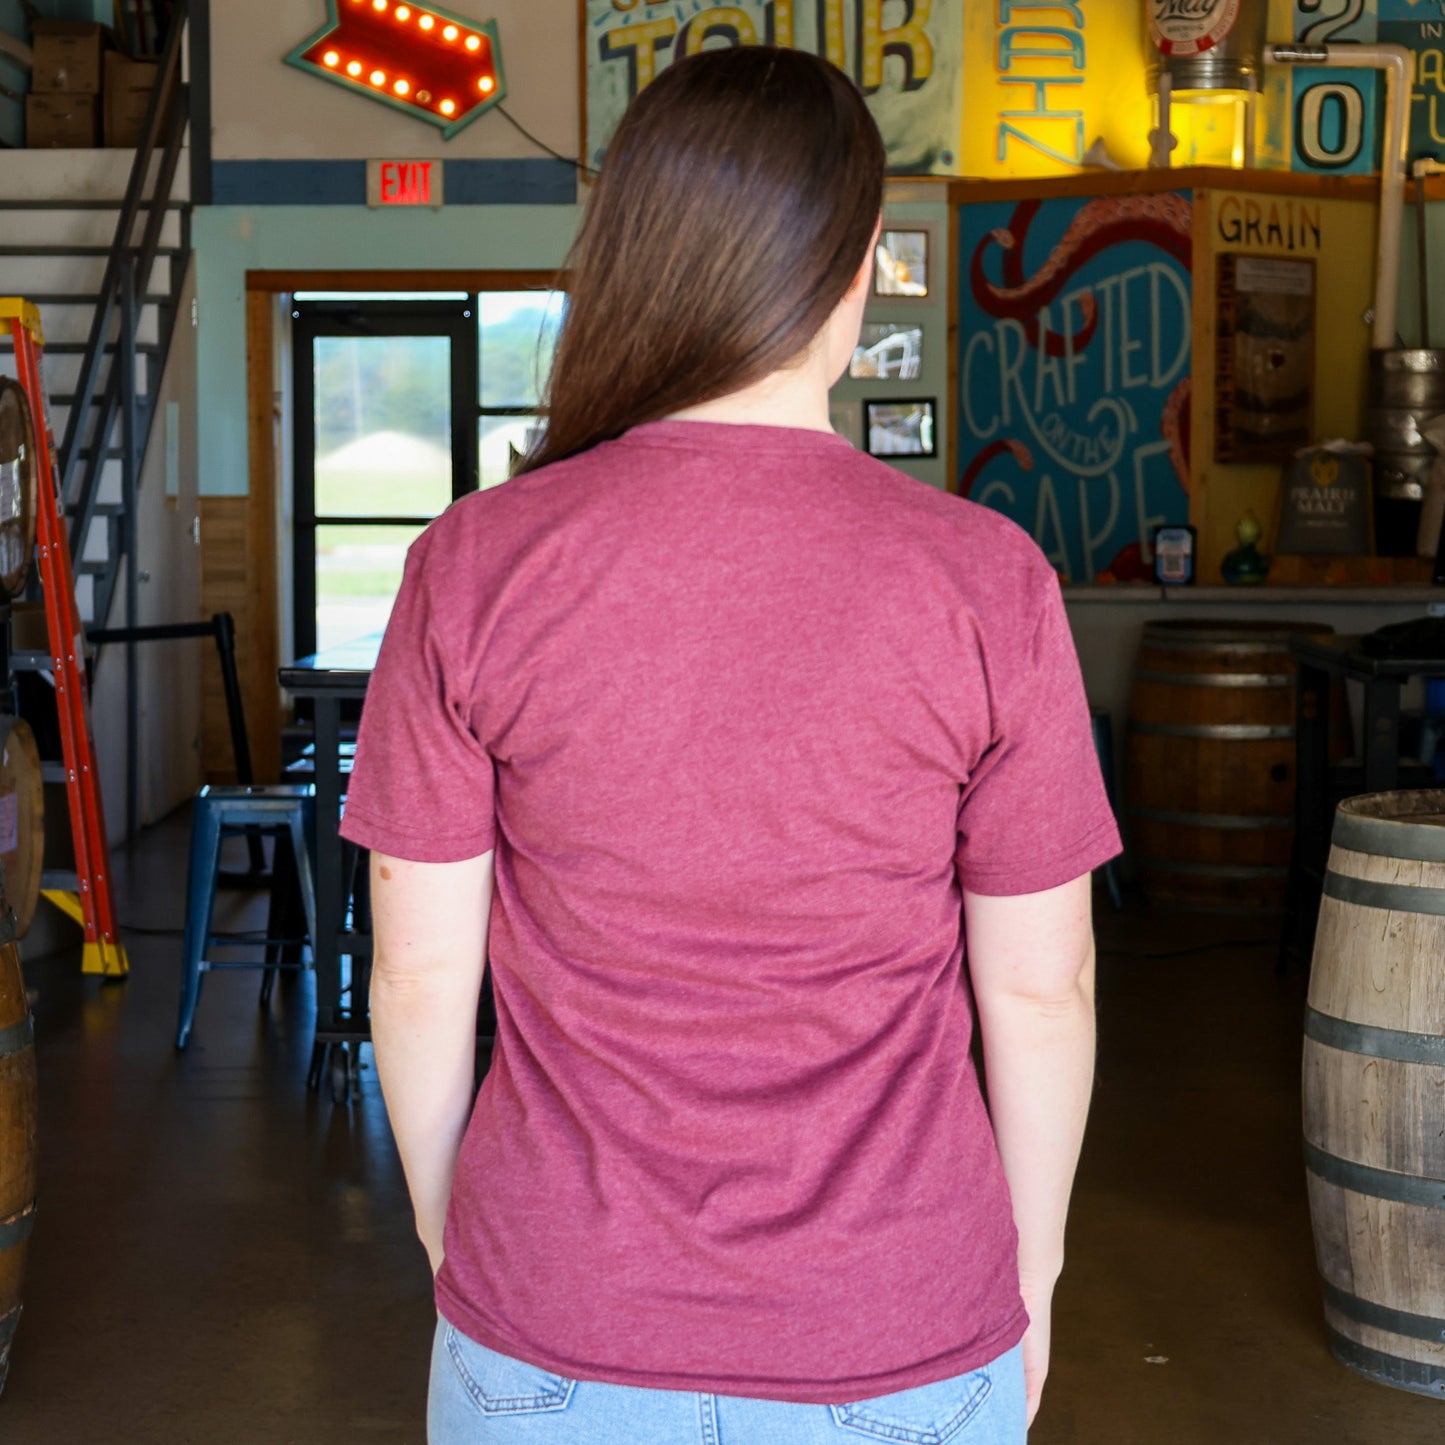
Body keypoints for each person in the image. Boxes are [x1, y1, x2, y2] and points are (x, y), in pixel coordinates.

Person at [340, 45, 1120, 1445]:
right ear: (863, 263)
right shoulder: (982, 578)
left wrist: (458, 1229)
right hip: (901, 1323)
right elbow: (1042, 988)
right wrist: (1035, 1273)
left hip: (554, 1320)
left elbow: (415, 964)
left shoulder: (474, 564)